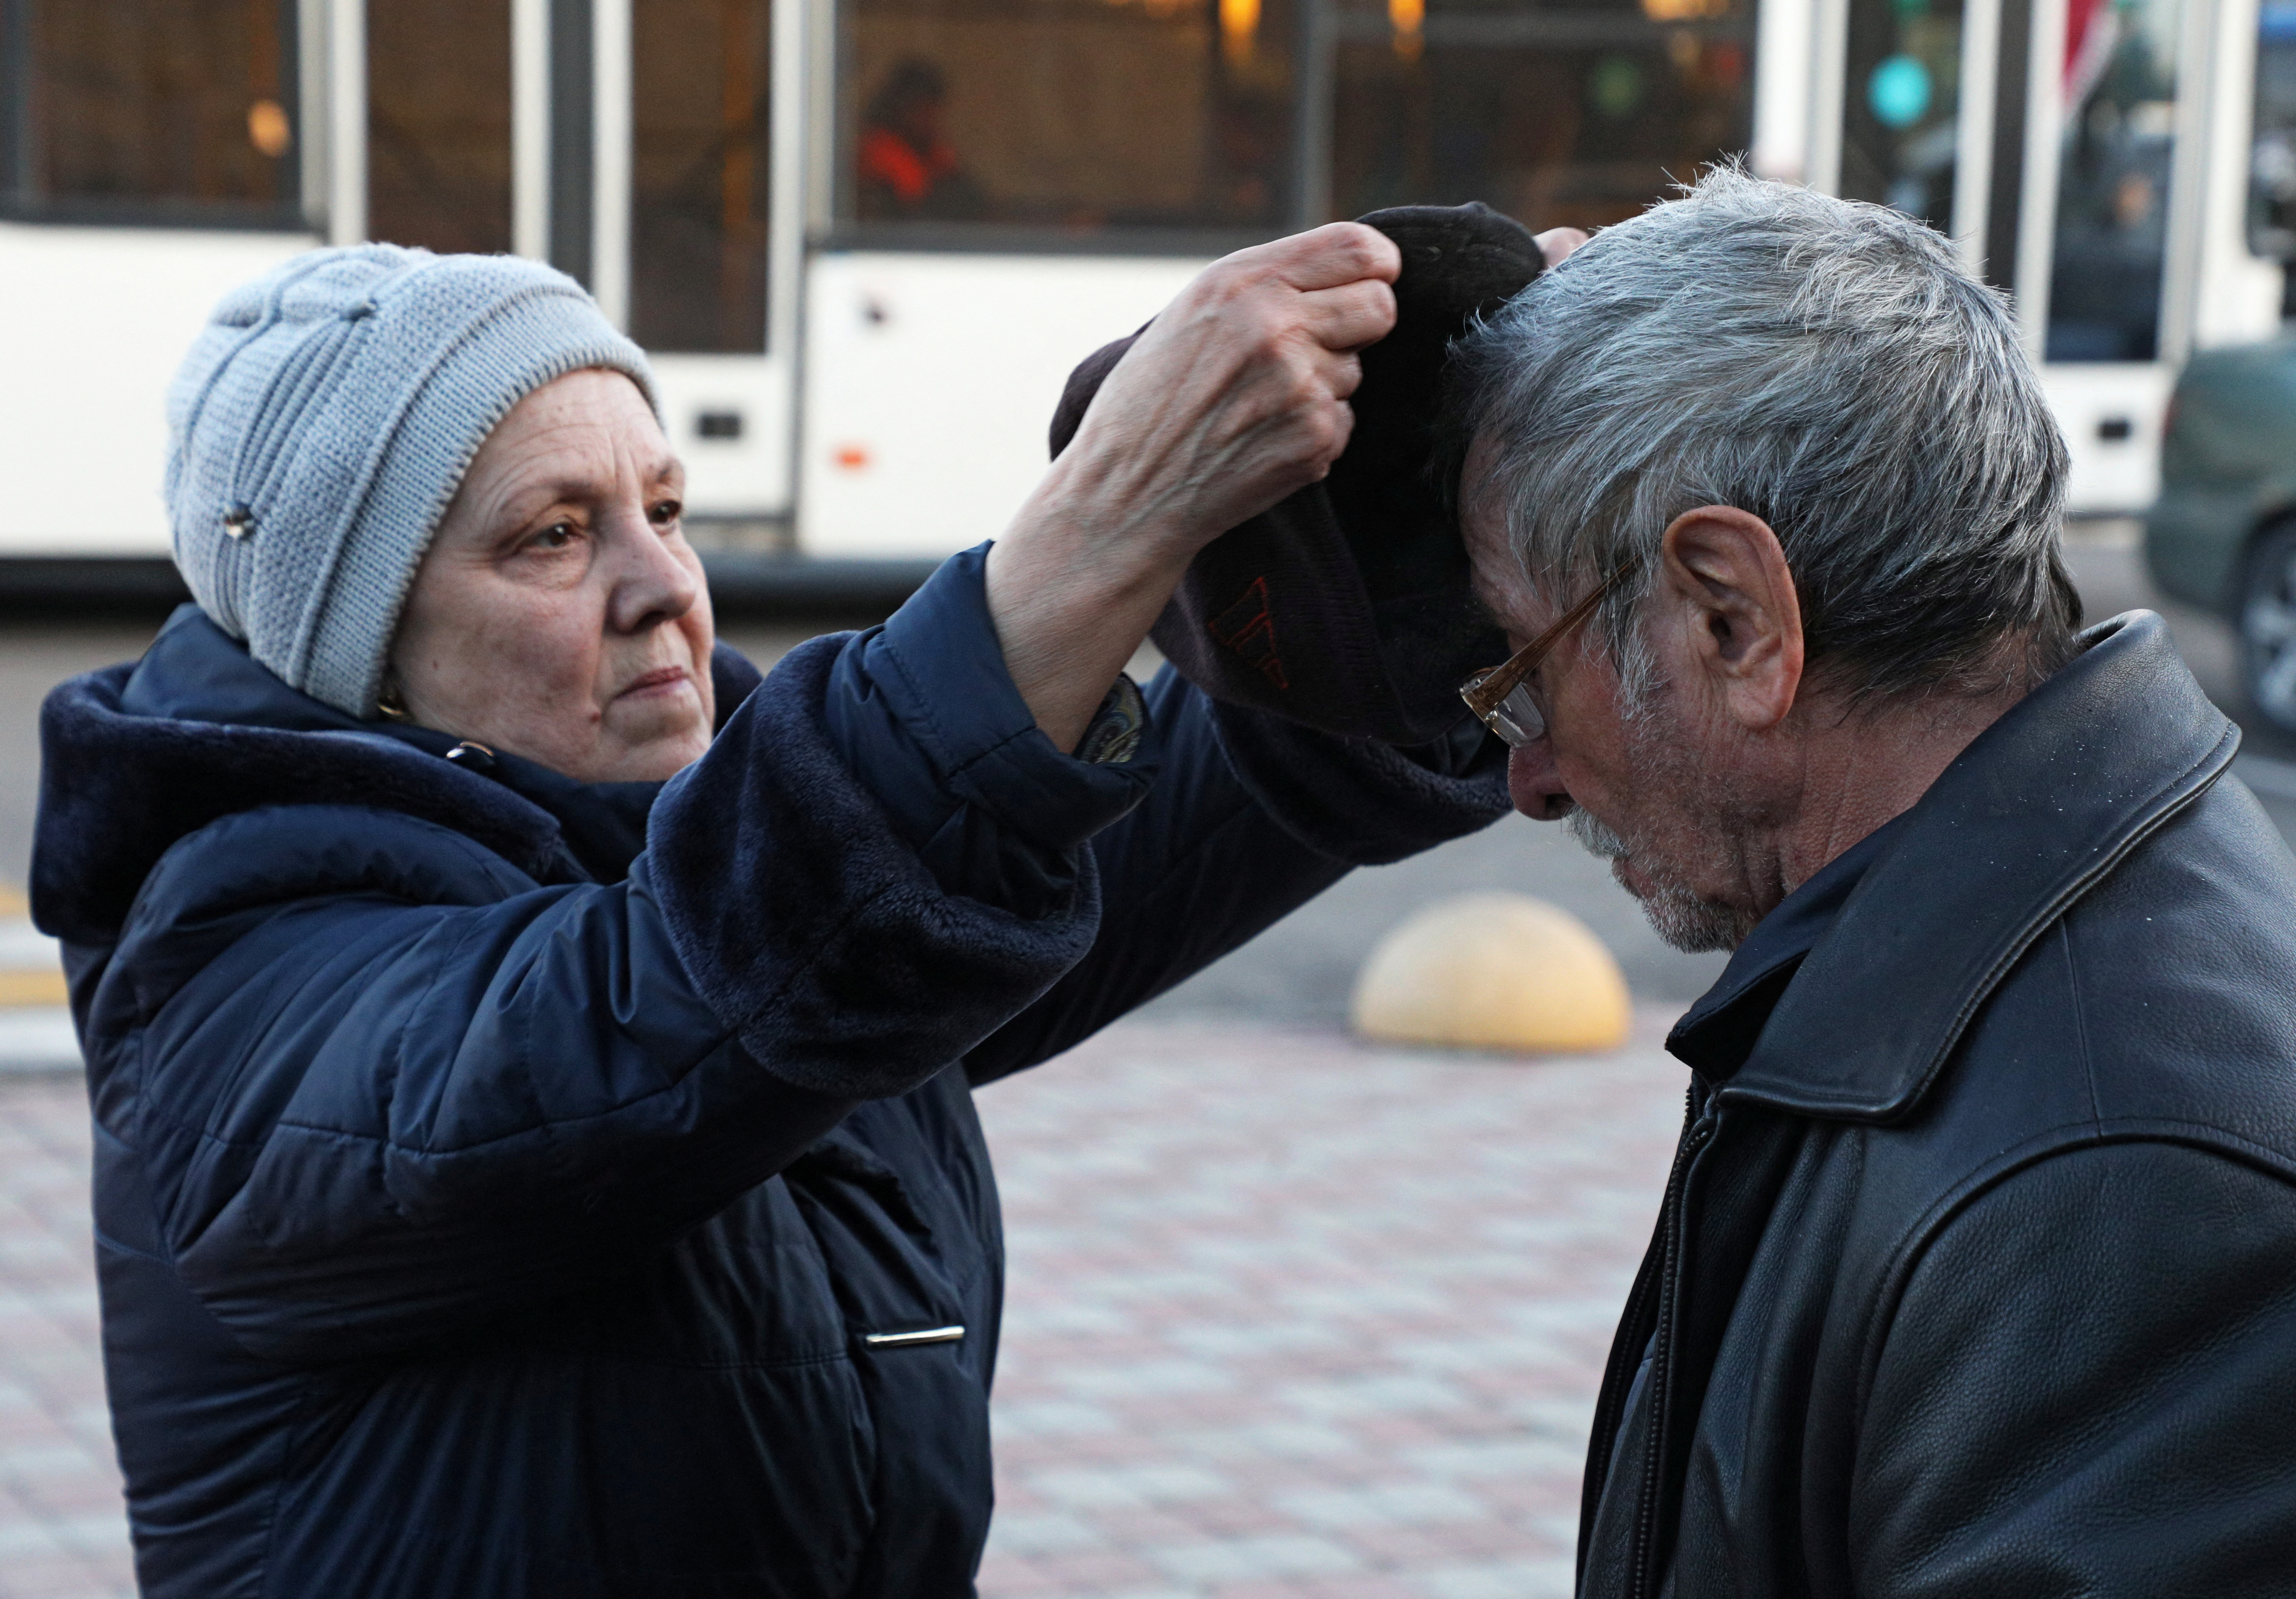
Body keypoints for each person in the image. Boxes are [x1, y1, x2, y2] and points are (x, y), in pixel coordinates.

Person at [33, 228, 1513, 1595]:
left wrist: (1463, 552)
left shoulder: (759, 866)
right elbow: (648, 1011)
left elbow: (1175, 795)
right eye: (553, 535)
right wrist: (1099, 526)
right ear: (355, 648)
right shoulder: (234, 954)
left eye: (664, 508)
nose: (661, 586)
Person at [1446, 164, 2296, 1593]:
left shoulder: (2120, 1185)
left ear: (1734, 618)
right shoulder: (1999, 984)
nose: (1530, 776)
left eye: (1520, 675)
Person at [854, 58, 986, 222]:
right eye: (922, 109)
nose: (931, 118)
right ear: (902, 108)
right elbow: (916, 203)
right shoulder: (879, 148)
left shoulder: (929, 149)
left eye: (935, 109)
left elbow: (970, 195)